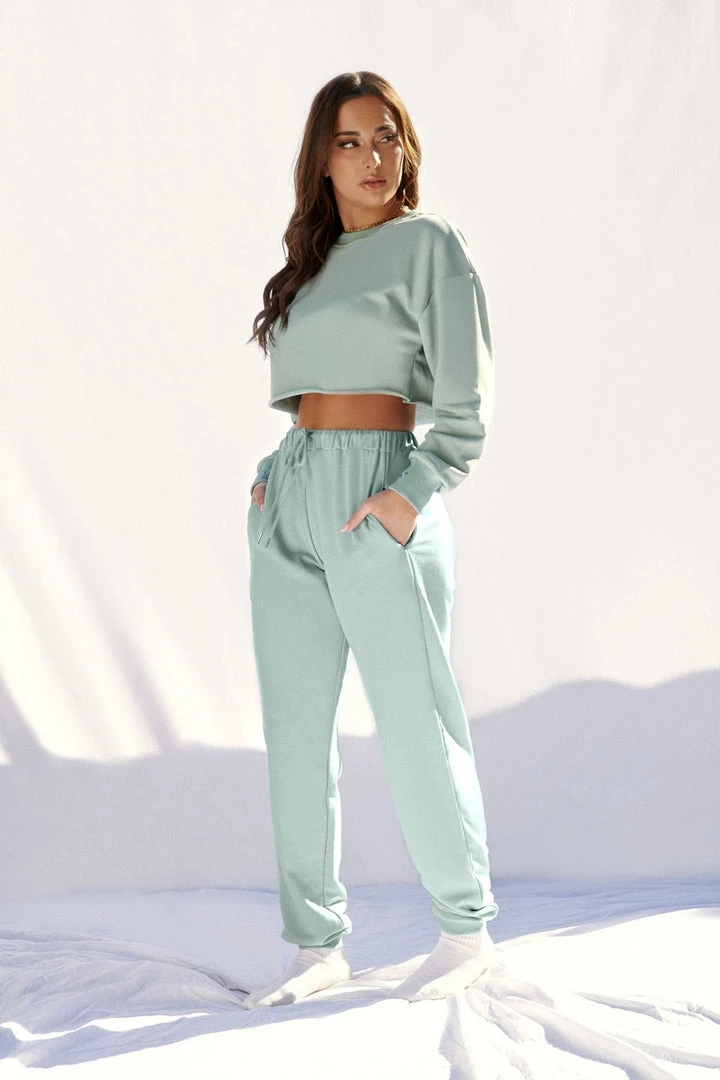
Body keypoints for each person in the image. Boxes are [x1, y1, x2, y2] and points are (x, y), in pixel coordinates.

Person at [242, 71, 499, 1009]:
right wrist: (274, 474)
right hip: (293, 496)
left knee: (415, 720)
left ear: (406, 145)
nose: (373, 157)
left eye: (386, 136)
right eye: (349, 142)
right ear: (321, 159)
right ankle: (315, 947)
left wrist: (409, 495)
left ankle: (465, 932)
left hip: (379, 494)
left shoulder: (429, 245)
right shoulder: (308, 268)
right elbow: (312, 396)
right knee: (295, 734)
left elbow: (465, 411)